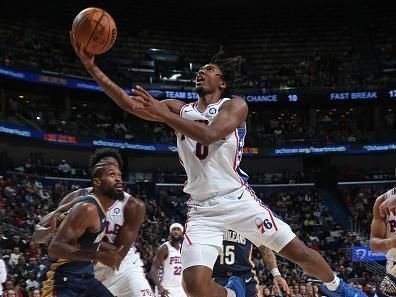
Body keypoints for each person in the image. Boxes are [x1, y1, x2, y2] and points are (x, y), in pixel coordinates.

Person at [71, 33, 367, 297]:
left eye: (209, 70)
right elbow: (126, 102)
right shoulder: (178, 107)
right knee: (194, 287)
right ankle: (234, 292)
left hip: (237, 199)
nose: (202, 72)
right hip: (202, 209)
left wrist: (164, 115)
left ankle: (338, 288)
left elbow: (210, 134)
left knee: (298, 252)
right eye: (200, 70)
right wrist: (92, 67)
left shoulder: (234, 105)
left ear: (222, 82)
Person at [33, 149, 153, 297]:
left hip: (119, 269)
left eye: (117, 172)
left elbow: (117, 252)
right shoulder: (82, 202)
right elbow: (42, 234)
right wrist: (53, 229)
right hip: (78, 269)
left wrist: (84, 240)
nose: (116, 177)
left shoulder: (132, 206)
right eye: (109, 172)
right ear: (96, 177)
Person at [40, 160, 124, 297]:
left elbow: (87, 240)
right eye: (112, 174)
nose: (118, 179)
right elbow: (55, 247)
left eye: (119, 175)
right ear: (97, 182)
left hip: (86, 279)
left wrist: (109, 249)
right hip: (62, 281)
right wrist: (98, 256)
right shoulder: (88, 208)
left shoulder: (103, 208)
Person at [213, 230, 290, 297]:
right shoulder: (211, 222)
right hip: (216, 275)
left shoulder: (248, 224)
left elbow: (265, 250)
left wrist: (276, 273)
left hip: (244, 275)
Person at [150, 223, 186, 297]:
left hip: (179, 288)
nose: (176, 232)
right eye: (173, 229)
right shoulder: (164, 248)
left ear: (182, 233)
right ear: (170, 233)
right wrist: (160, 288)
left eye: (178, 230)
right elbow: (153, 269)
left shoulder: (183, 249)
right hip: (166, 288)